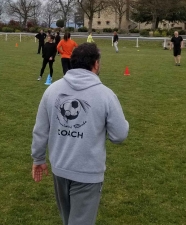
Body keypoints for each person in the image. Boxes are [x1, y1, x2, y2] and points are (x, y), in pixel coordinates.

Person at [31, 43, 129, 225]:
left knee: (68, 220)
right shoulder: (105, 95)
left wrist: (38, 159)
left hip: (59, 168)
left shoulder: (51, 90)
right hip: (88, 172)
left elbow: (40, 130)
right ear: (96, 64)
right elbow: (119, 135)